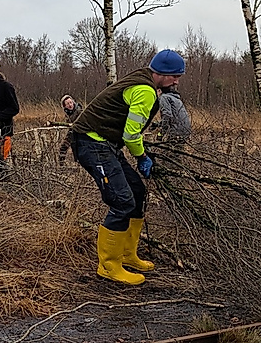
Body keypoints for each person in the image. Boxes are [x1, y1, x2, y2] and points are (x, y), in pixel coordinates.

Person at [67, 49, 185, 285]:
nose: (177, 81)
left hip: (106, 144)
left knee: (137, 193)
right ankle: (109, 266)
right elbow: (131, 135)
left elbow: (129, 132)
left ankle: (128, 255)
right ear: (162, 73)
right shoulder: (145, 91)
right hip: (91, 142)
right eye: (174, 76)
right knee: (122, 201)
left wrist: (143, 153)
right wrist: (142, 157)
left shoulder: (143, 79)